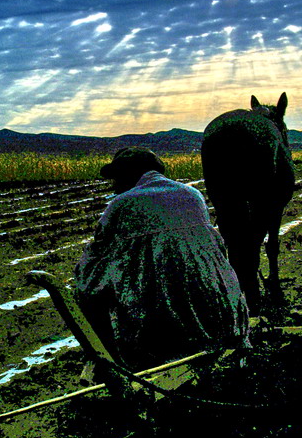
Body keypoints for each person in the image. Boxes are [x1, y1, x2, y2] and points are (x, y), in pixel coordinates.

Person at [74, 147, 250, 370]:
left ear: (130, 174)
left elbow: (95, 258)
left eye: (116, 177)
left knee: (87, 281)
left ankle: (112, 363)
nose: (114, 185)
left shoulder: (123, 203)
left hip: (165, 325)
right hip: (225, 315)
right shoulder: (192, 194)